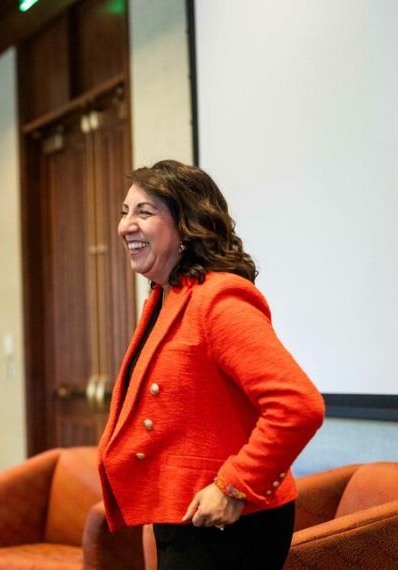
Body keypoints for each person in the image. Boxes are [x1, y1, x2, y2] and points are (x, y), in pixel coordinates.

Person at [98, 160, 325, 569]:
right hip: (186, 514)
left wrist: (234, 486)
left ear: (186, 226)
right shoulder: (167, 295)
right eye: (124, 212)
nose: (125, 225)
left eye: (143, 212)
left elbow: (299, 405)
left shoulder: (218, 300)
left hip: (228, 522)